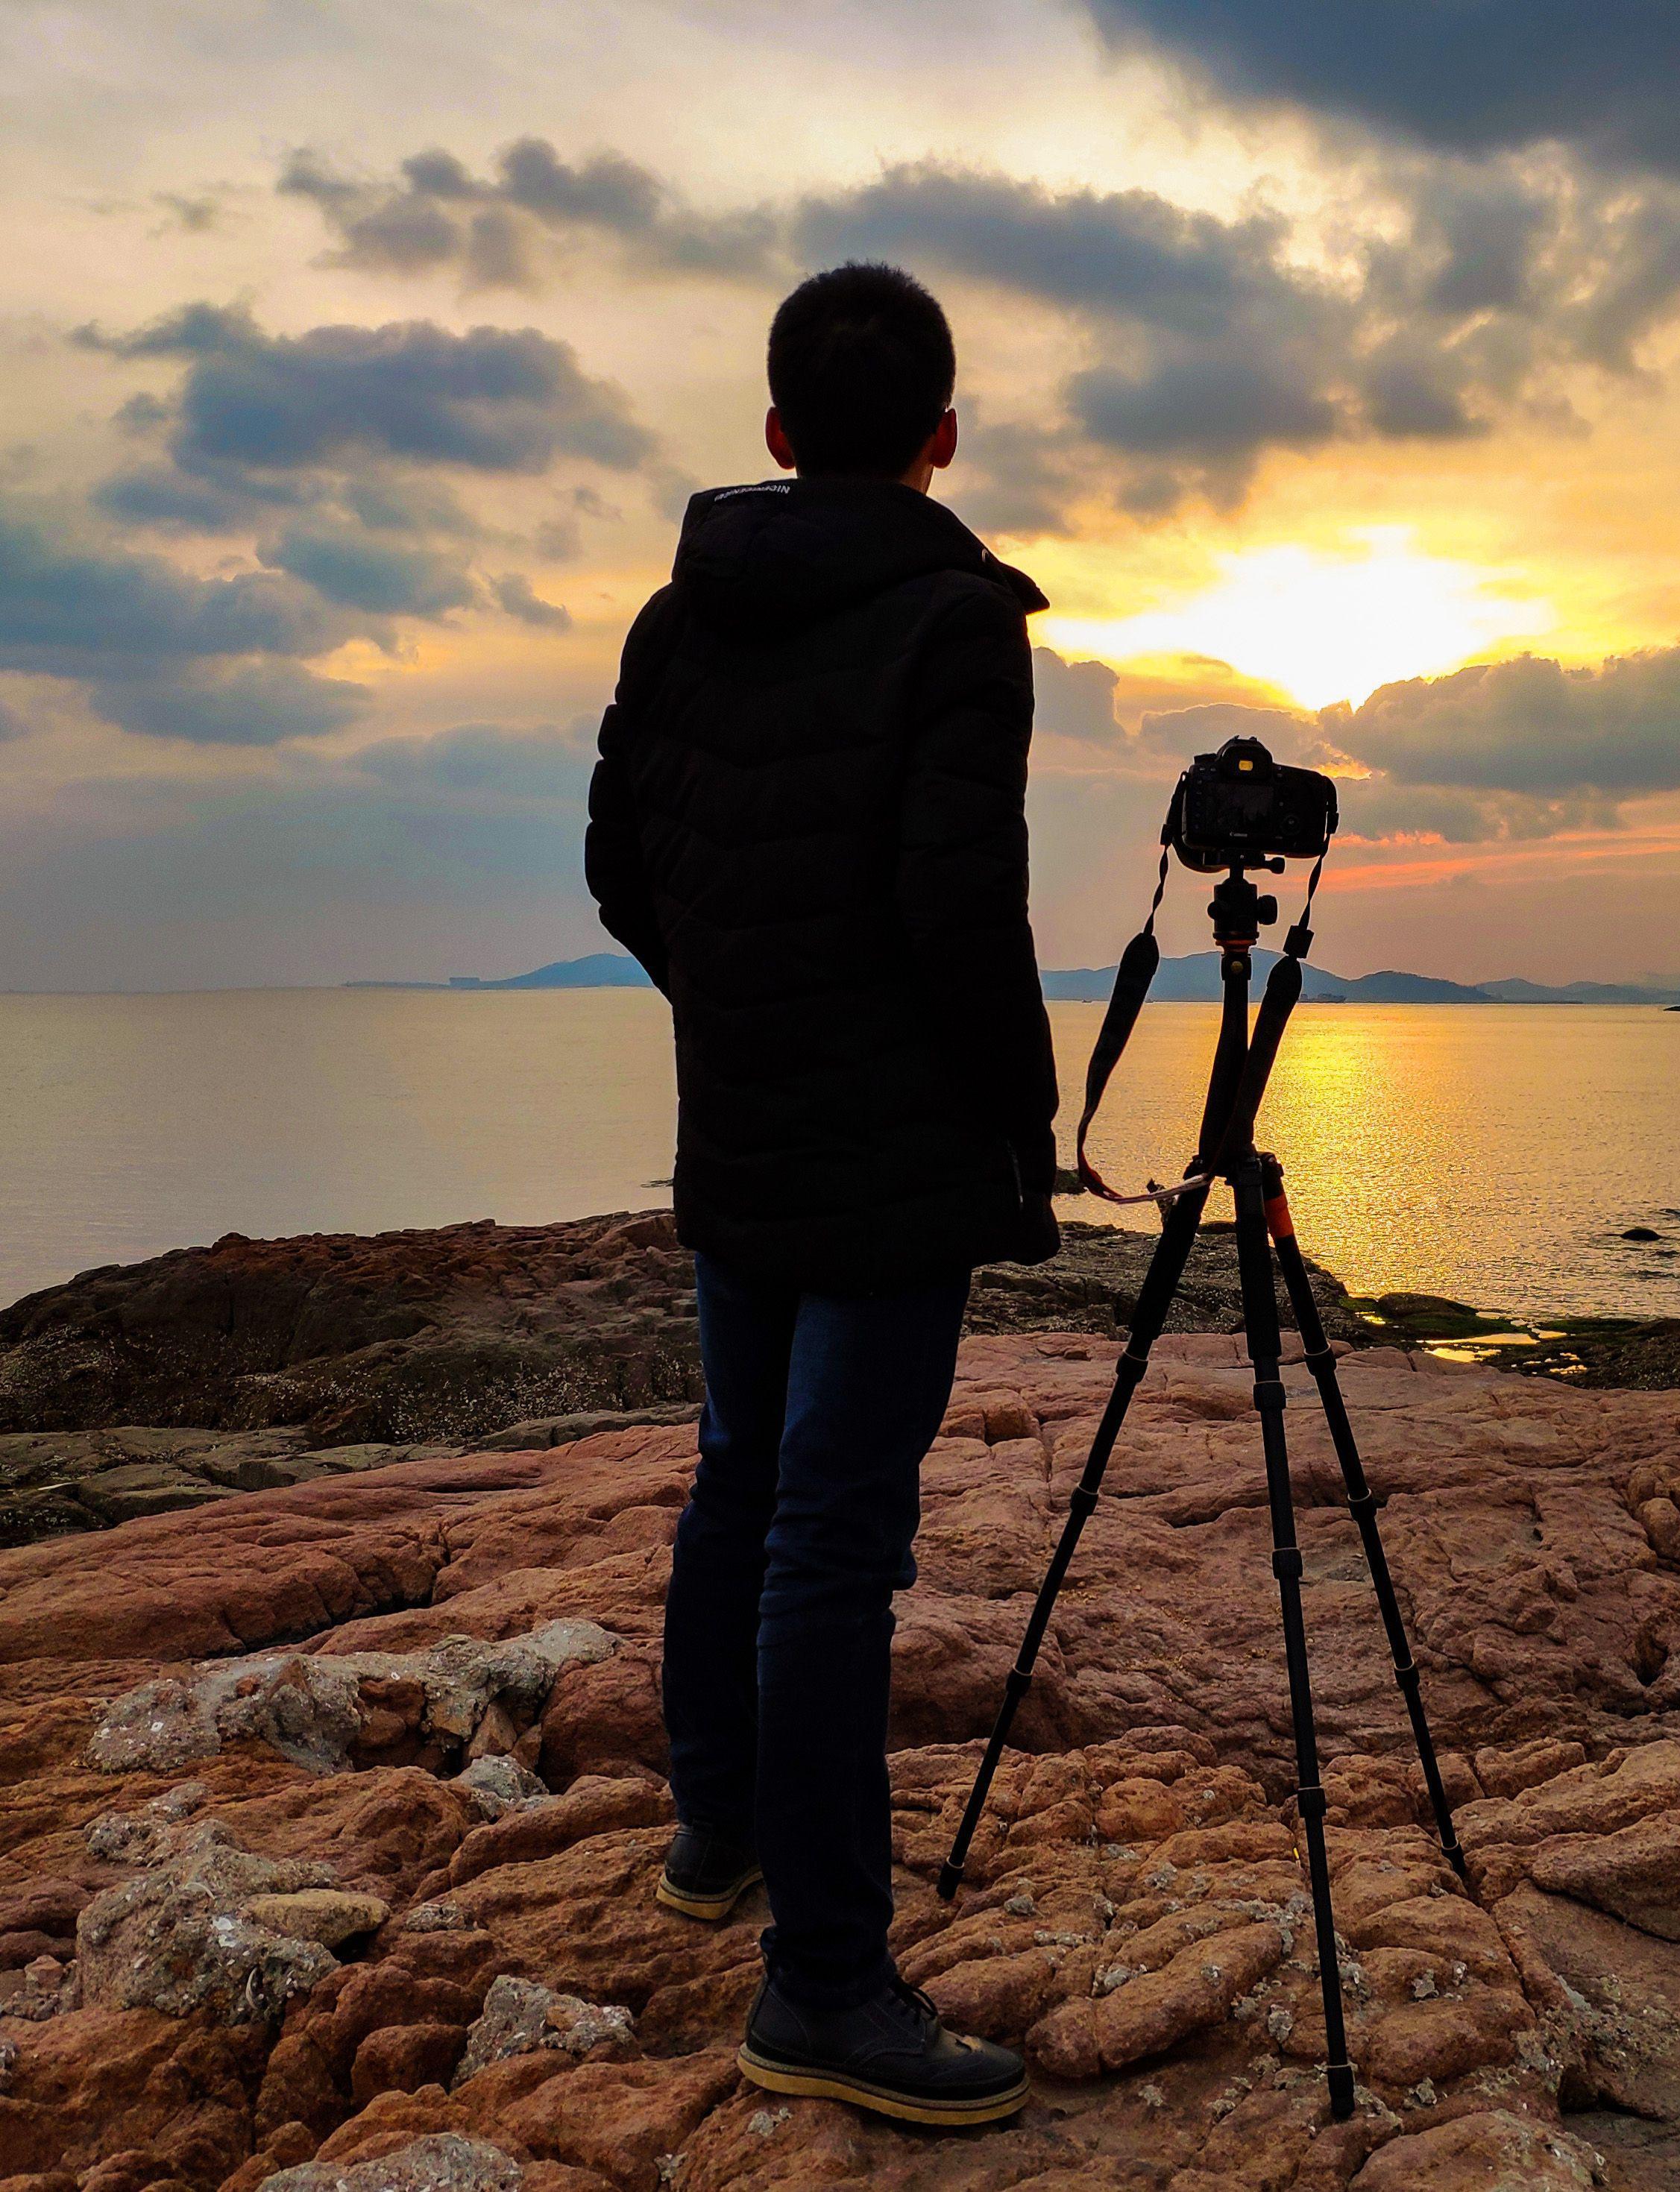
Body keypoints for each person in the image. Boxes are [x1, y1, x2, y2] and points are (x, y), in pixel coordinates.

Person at [583, 261, 1058, 2127]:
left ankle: (720, 1829)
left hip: (745, 1116)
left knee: (743, 1482)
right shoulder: (957, 622)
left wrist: (737, 994)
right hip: (891, 1154)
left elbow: (623, 865)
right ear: (941, 439)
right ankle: (828, 1988)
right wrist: (1019, 1127)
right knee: (830, 1546)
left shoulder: (675, 616)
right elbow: (964, 916)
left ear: (778, 435)